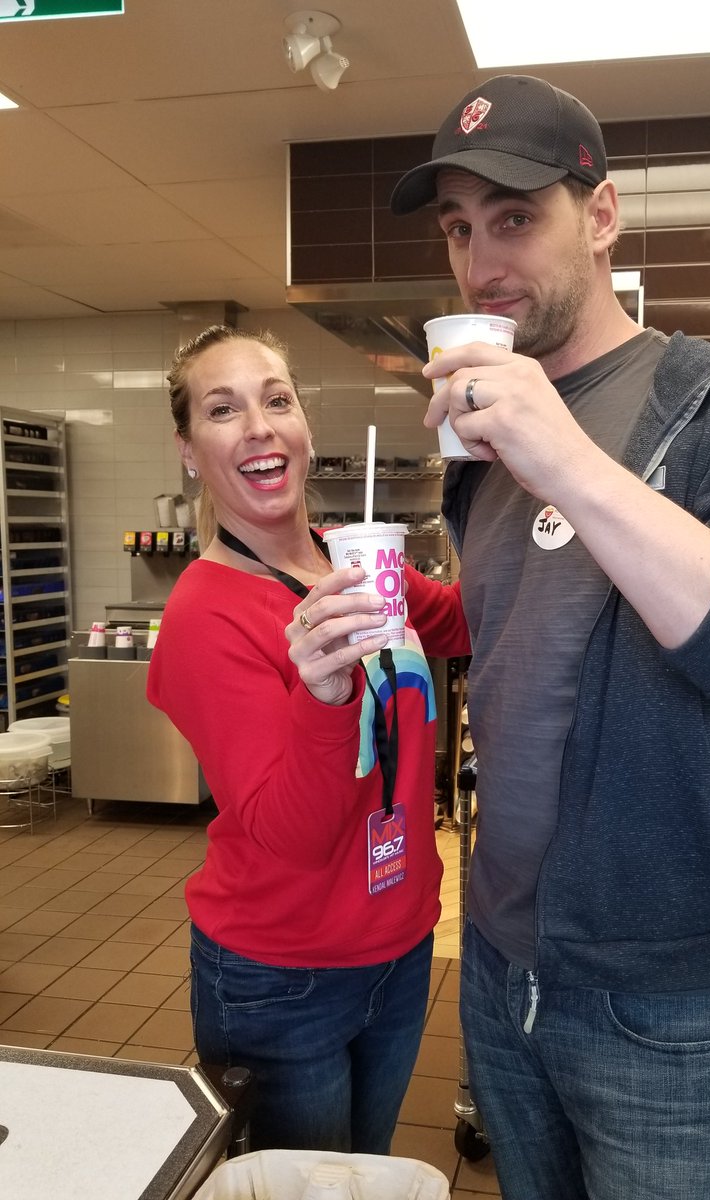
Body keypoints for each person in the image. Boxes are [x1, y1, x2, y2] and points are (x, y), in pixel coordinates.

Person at [390, 75, 710, 1200]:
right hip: (502, 967)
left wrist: (565, 454)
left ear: (602, 214)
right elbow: (520, 659)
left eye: (516, 218)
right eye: (460, 231)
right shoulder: (480, 463)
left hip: (678, 1000)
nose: (481, 265)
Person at [146, 325, 467, 1153]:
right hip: (281, 978)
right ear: (189, 451)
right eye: (223, 410)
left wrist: (526, 493)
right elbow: (291, 832)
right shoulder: (204, 615)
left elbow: (466, 622)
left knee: (364, 1172)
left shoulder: (351, 562)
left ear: (305, 432)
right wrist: (322, 695)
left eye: (276, 399)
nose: (258, 425)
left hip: (398, 950)